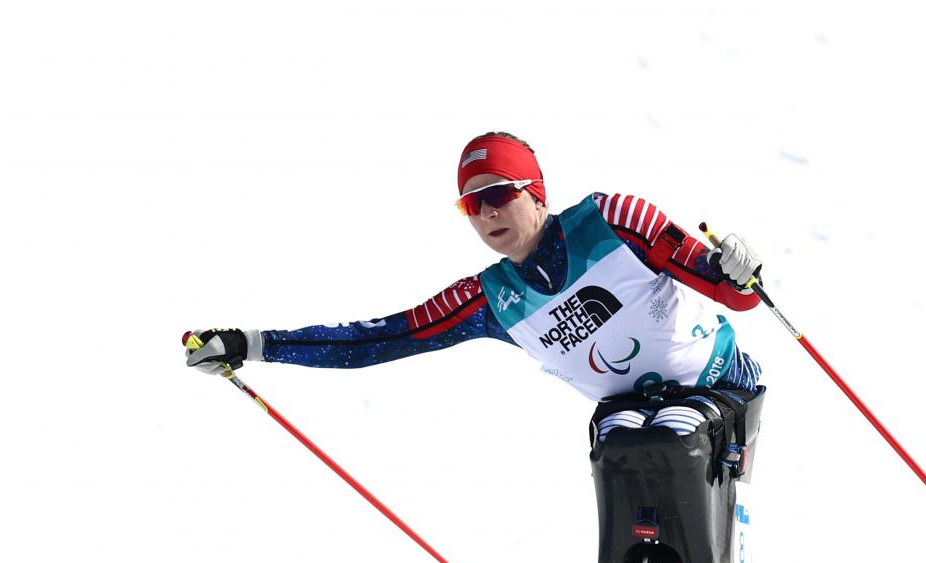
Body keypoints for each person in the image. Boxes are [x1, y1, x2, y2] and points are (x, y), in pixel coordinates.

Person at [187, 132, 765, 440]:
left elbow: (735, 293)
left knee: (674, 439)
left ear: (537, 194)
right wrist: (253, 344)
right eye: (472, 202)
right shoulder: (489, 298)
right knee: (619, 448)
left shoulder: (614, 219)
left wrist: (738, 266)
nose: (487, 213)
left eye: (499, 194)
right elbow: (378, 339)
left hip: (719, 382)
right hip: (633, 412)